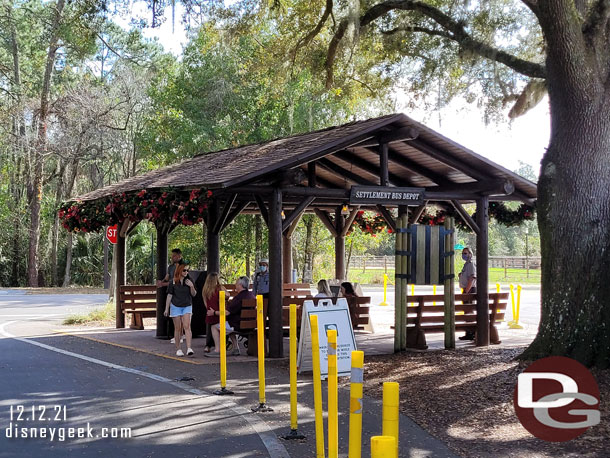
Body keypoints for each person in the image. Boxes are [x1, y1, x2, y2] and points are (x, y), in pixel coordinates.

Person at [211, 276, 254, 356]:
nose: (235, 285)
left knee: (214, 327)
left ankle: (217, 350)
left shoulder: (238, 298)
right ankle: (235, 348)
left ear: (240, 285)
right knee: (228, 325)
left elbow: (227, 312)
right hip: (250, 324)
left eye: (236, 283)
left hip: (238, 325)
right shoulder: (251, 295)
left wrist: (214, 312)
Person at [164, 264, 196, 356]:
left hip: (187, 305)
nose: (186, 272)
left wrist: (191, 286)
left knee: (187, 326)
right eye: (184, 270)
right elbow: (169, 295)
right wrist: (166, 309)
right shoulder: (173, 282)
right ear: (179, 271)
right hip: (175, 306)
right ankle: (178, 349)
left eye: (187, 270)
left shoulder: (189, 281)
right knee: (177, 328)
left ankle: (189, 348)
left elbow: (194, 294)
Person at [201, 272, 226, 354]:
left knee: (211, 328)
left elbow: (205, 302)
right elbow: (227, 295)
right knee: (218, 328)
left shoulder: (205, 289)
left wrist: (208, 309)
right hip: (219, 312)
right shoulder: (220, 288)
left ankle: (209, 345)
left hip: (210, 312)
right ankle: (220, 345)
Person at [458, 247, 477, 341]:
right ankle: (468, 332)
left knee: (469, 312)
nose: (463, 255)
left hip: (469, 290)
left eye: (465, 253)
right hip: (466, 290)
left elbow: (472, 278)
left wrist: (466, 291)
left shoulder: (470, 264)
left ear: (470, 254)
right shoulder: (466, 265)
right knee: (467, 312)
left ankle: (471, 332)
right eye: (463, 253)